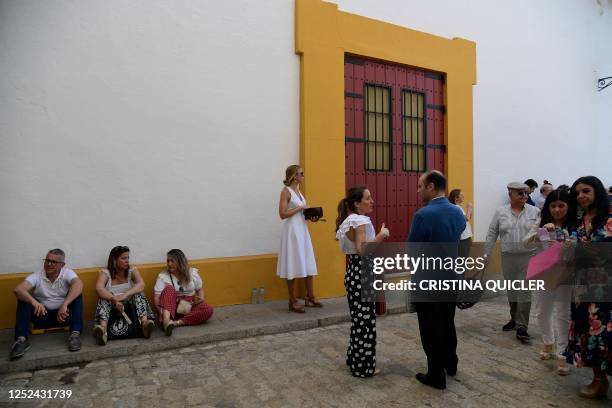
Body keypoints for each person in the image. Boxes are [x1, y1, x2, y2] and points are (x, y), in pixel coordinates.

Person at [407, 171, 465, 390]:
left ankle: (435, 374)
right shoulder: (458, 212)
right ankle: (451, 363)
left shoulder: (423, 215)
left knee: (431, 328)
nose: (418, 190)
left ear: (431, 186)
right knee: (448, 322)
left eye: (420, 186)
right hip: (451, 277)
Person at [335, 186, 389, 377]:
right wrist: (381, 235)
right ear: (357, 203)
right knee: (365, 322)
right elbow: (362, 250)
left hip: (354, 272)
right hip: (362, 273)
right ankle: (363, 367)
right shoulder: (359, 221)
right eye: (368, 198)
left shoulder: (350, 220)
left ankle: (354, 359)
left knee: (359, 320)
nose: (372, 201)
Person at [565, 176, 612, 399]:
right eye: (577, 193)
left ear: (597, 192)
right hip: (583, 286)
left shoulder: (609, 216)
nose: (581, 196)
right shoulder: (580, 218)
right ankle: (599, 379)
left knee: (605, 333)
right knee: (588, 332)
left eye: (586, 191)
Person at [485, 182, 541, 343]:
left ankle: (522, 326)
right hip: (508, 256)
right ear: (510, 194)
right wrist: (486, 253)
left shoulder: (535, 211)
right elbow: (492, 233)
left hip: (528, 256)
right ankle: (514, 318)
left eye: (526, 193)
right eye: (520, 193)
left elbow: (541, 233)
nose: (525, 196)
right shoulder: (500, 212)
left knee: (524, 290)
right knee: (512, 290)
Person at [530, 189, 575, 375]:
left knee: (563, 314)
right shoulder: (542, 224)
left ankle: (563, 353)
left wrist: (570, 240)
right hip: (544, 274)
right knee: (542, 311)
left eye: (561, 205)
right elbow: (527, 242)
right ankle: (548, 343)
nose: (557, 209)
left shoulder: (576, 226)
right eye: (553, 206)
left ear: (568, 206)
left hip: (566, 275)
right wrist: (541, 232)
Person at [10, 249, 83, 359]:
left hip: (63, 316)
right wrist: (33, 302)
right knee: (23, 298)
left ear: (62, 265)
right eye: (47, 260)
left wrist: (65, 304)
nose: (49, 264)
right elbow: (18, 290)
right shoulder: (37, 276)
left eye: (54, 262)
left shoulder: (67, 273)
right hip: (41, 316)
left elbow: (79, 284)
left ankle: (75, 335)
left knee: (77, 295)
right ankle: (21, 340)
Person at [277, 165, 321, 313]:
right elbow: (282, 214)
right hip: (292, 232)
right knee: (292, 263)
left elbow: (300, 212)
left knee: (308, 261)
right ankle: (292, 300)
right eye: (301, 173)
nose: (303, 175)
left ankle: (310, 296)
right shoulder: (286, 192)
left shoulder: (299, 192)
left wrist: (311, 216)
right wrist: (300, 208)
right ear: (294, 176)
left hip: (302, 229)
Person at [92, 246, 156, 345]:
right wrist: (113, 299)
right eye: (123, 258)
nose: (127, 261)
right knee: (103, 298)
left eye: (128, 258)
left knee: (138, 293)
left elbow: (141, 284)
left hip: (129, 305)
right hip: (112, 306)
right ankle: (103, 330)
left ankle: (144, 325)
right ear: (114, 260)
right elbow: (99, 289)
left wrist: (125, 295)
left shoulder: (132, 271)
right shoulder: (105, 273)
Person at [154, 249, 213, 336]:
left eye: (172, 261)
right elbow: (157, 298)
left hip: (188, 307)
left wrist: (201, 299)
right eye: (168, 261)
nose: (169, 264)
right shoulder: (163, 277)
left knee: (208, 309)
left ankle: (176, 323)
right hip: (170, 310)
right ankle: (166, 321)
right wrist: (161, 313)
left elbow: (200, 289)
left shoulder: (192, 273)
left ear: (180, 261)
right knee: (169, 289)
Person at [448, 189, 473, 259]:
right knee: (462, 261)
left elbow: (468, 217)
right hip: (463, 239)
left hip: (463, 238)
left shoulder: (456, 207)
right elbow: (466, 219)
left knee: (461, 261)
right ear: (456, 198)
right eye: (461, 195)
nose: (463, 196)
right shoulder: (457, 208)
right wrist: (469, 208)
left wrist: (470, 209)